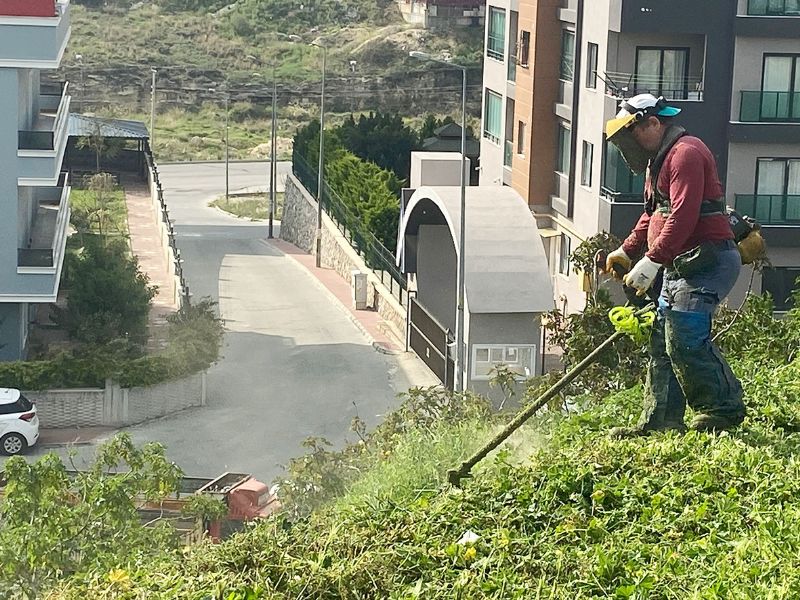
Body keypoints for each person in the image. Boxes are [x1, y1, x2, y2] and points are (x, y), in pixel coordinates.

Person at [603, 93, 746, 436]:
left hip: (707, 260)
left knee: (684, 335)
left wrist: (652, 260)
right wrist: (627, 249)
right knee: (662, 341)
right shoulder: (660, 161)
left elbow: (683, 215)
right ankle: (662, 421)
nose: (629, 146)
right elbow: (654, 214)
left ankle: (722, 409)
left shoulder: (687, 154)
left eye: (631, 135)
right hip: (679, 265)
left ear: (652, 123)